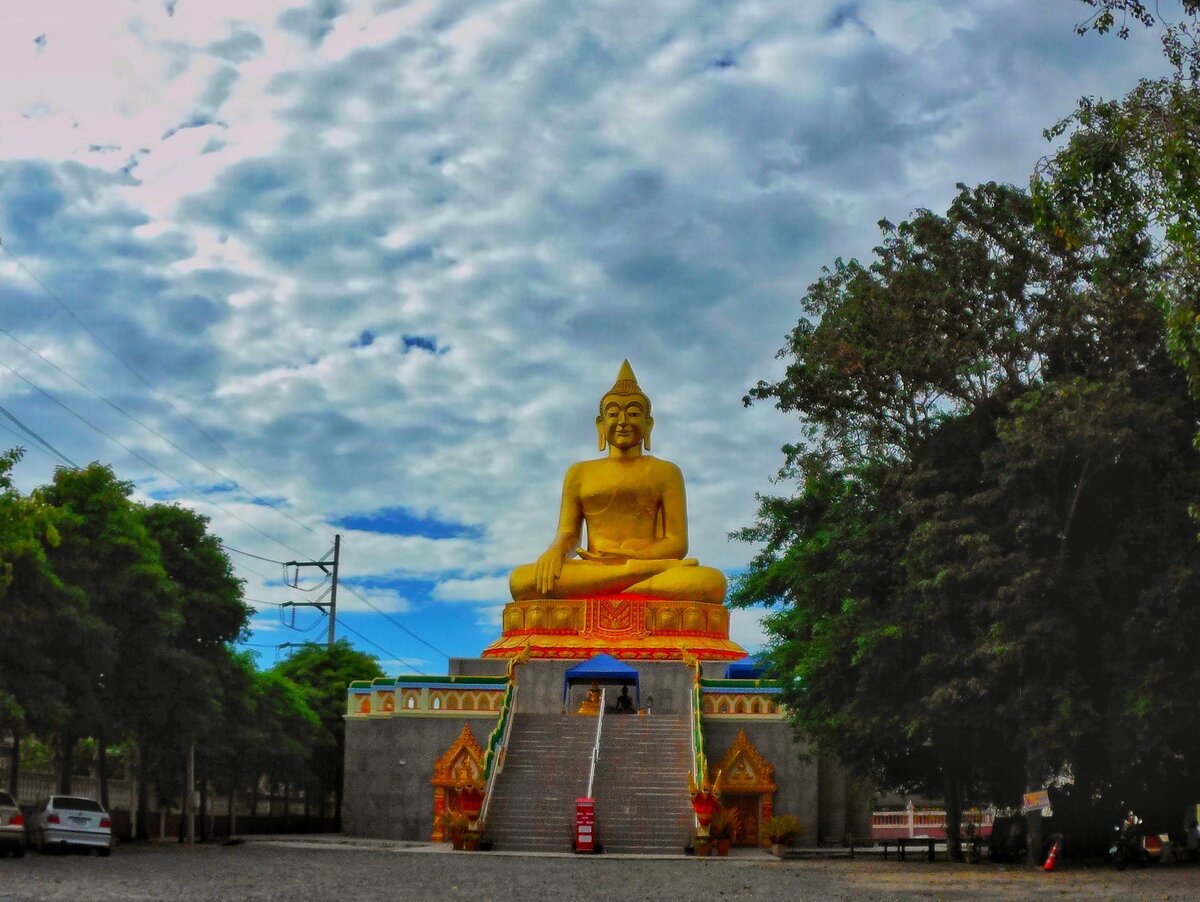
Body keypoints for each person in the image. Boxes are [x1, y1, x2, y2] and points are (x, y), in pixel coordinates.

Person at [508, 361, 727, 603]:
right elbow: (568, 533)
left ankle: (616, 584)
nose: (623, 421)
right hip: (598, 567)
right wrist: (555, 551)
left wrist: (633, 556)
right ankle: (635, 580)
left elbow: (676, 542)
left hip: (643, 563)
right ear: (601, 424)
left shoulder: (666, 472)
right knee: (521, 580)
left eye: (633, 413)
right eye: (613, 414)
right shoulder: (579, 472)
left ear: (648, 424)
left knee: (712, 582)